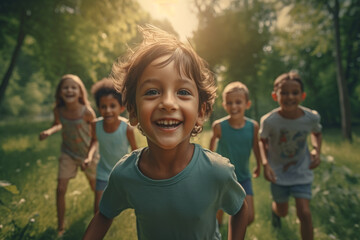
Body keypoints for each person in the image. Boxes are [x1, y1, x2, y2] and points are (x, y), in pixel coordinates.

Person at [83, 25, 248, 240]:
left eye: (182, 92)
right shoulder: (125, 174)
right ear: (133, 111)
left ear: (201, 111)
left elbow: (240, 209)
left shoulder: (217, 172)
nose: (168, 103)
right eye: (152, 91)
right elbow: (104, 215)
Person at [259, 72, 322, 240]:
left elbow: (317, 133)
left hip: (302, 170)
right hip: (278, 172)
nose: (289, 97)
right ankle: (275, 213)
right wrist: (266, 164)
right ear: (275, 96)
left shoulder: (311, 117)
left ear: (302, 95)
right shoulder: (269, 121)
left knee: (305, 212)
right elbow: (262, 141)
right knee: (283, 211)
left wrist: (316, 150)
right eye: (284, 93)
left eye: (295, 93)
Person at [39, 74, 99, 236]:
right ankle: (60, 227)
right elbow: (57, 124)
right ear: (60, 93)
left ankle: (99, 222)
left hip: (88, 153)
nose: (69, 90)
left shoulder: (87, 112)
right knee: (60, 188)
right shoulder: (58, 110)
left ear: (80, 93)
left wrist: (88, 157)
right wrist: (48, 132)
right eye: (65, 87)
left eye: (74, 87)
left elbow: (95, 139)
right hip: (68, 153)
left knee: (95, 188)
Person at [209, 81, 261, 227]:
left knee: (249, 217)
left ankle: (233, 227)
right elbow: (211, 150)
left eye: (238, 102)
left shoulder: (253, 126)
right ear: (224, 105)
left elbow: (256, 147)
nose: (234, 106)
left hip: (243, 176)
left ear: (247, 104)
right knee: (217, 219)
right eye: (229, 103)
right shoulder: (219, 126)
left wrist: (259, 164)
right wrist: (209, 168)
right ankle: (219, 230)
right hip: (223, 176)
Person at [90, 78, 137, 213]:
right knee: (98, 208)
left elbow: (135, 150)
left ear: (121, 108)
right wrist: (88, 157)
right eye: (103, 107)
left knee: (132, 204)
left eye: (112, 106)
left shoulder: (127, 128)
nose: (108, 110)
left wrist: (135, 170)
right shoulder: (95, 125)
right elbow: (93, 142)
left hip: (123, 172)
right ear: (99, 108)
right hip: (103, 171)